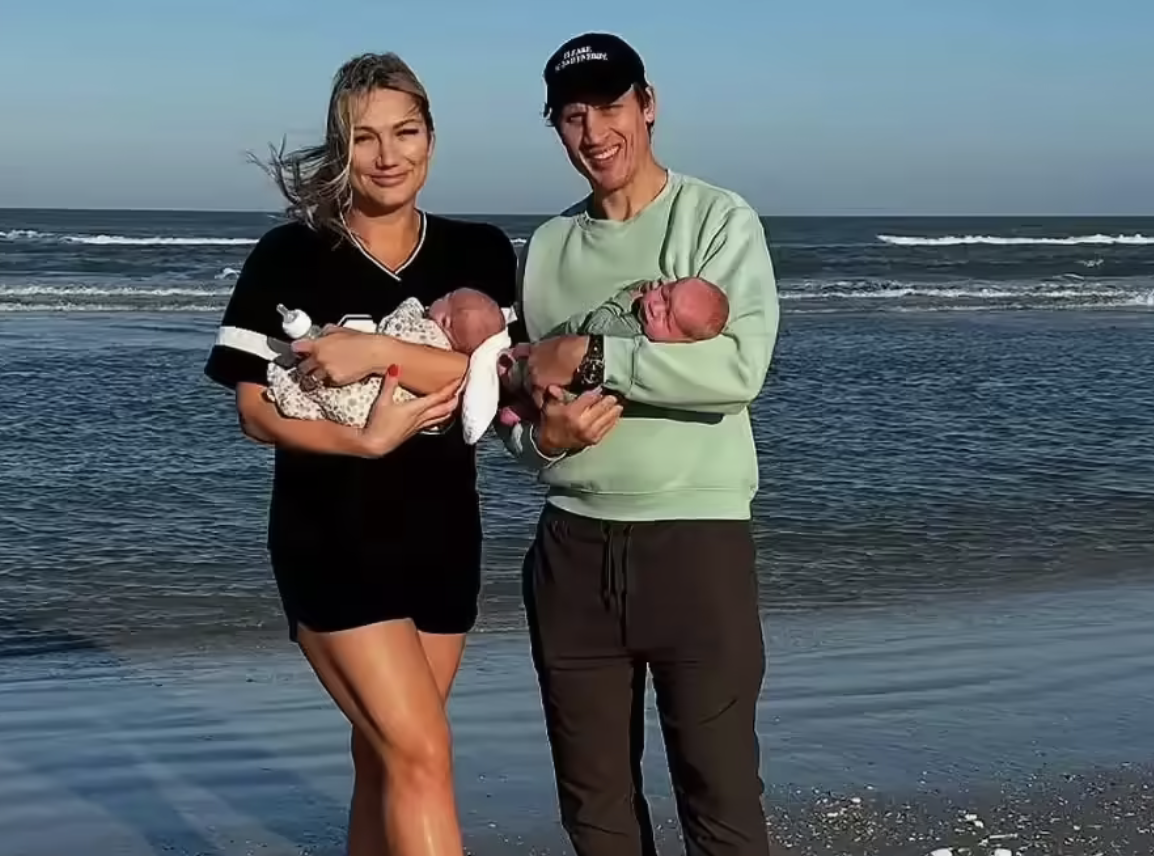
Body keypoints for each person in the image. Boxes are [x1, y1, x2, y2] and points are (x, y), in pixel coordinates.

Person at [203, 52, 519, 856]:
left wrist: (374, 356)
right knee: (422, 752)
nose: (388, 155)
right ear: (341, 149)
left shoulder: (479, 252)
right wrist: (361, 438)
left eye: (405, 132)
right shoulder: (288, 256)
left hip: (446, 541)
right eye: (365, 137)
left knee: (388, 758)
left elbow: (503, 379)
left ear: (432, 140)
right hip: (330, 539)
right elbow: (253, 413)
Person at [493, 32, 782, 856]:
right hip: (572, 557)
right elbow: (515, 406)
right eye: (572, 117)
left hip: (697, 547)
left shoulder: (717, 220)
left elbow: (737, 369)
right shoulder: (546, 247)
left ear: (648, 106)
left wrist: (591, 353)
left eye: (611, 107)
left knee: (721, 800)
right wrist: (540, 442)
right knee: (596, 813)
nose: (594, 133)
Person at [495, 276, 728, 427]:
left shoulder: (631, 331)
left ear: (681, 342)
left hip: (561, 370)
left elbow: (596, 329)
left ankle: (516, 385)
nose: (656, 307)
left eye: (668, 318)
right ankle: (522, 408)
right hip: (574, 387)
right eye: (664, 294)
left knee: (526, 359)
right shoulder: (651, 347)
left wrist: (625, 298)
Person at [267, 287, 508, 428]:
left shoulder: (425, 329)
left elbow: (396, 328)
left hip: (364, 401)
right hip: (363, 418)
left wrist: (378, 351)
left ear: (445, 321)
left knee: (320, 385)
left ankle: (289, 387)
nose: (439, 297)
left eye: (447, 297)